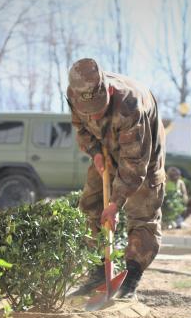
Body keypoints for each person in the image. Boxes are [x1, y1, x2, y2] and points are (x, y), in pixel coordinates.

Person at [67, 58, 166, 300]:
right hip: (106, 145)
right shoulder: (75, 93)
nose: (94, 115)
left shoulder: (130, 105)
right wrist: (95, 152)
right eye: (89, 111)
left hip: (142, 152)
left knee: (142, 211)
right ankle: (99, 271)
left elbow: (134, 164)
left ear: (108, 91)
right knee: (90, 205)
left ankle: (131, 277)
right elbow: (80, 127)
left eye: (99, 109)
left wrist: (115, 204)